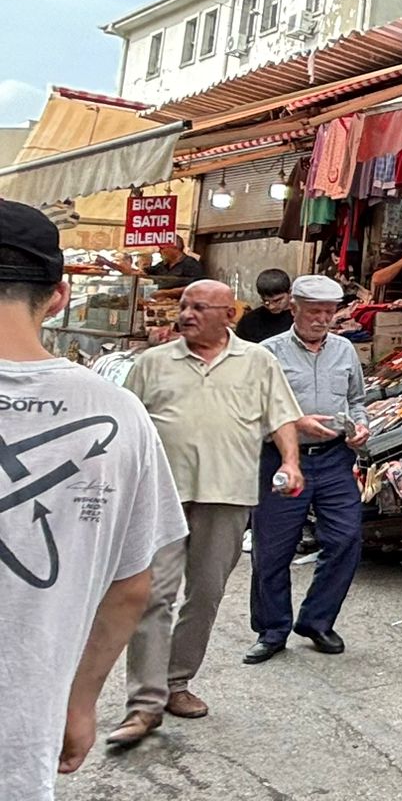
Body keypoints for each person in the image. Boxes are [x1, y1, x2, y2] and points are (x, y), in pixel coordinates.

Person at [0, 201, 185, 799]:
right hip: (21, 733)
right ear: (59, 294)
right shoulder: (116, 412)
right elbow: (134, 586)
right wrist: (80, 702)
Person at [112, 279, 303, 747]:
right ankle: (144, 703)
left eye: (199, 306)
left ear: (228, 315)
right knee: (153, 595)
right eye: (184, 305)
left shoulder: (258, 362)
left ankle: (177, 682)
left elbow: (281, 417)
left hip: (229, 493)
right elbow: (128, 426)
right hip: (162, 496)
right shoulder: (152, 362)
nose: (186, 313)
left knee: (206, 594)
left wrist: (292, 462)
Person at [245, 275, 369, 664]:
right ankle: (272, 629)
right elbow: (251, 411)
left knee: (346, 538)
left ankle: (317, 620)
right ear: (294, 308)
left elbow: (357, 399)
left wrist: (361, 426)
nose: (322, 319)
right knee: (272, 549)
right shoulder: (268, 353)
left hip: (334, 457)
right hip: (281, 459)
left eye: (329, 312)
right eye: (314, 311)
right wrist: (296, 423)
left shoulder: (345, 350)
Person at [114, 234, 206, 290]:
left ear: (174, 247)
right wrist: (115, 266)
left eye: (162, 248)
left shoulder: (191, 264)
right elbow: (142, 273)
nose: (159, 251)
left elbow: (197, 287)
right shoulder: (162, 265)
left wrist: (166, 293)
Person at [233, 269, 294, 343]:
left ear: (289, 292)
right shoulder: (249, 322)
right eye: (266, 301)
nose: (271, 306)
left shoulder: (299, 319)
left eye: (277, 301)